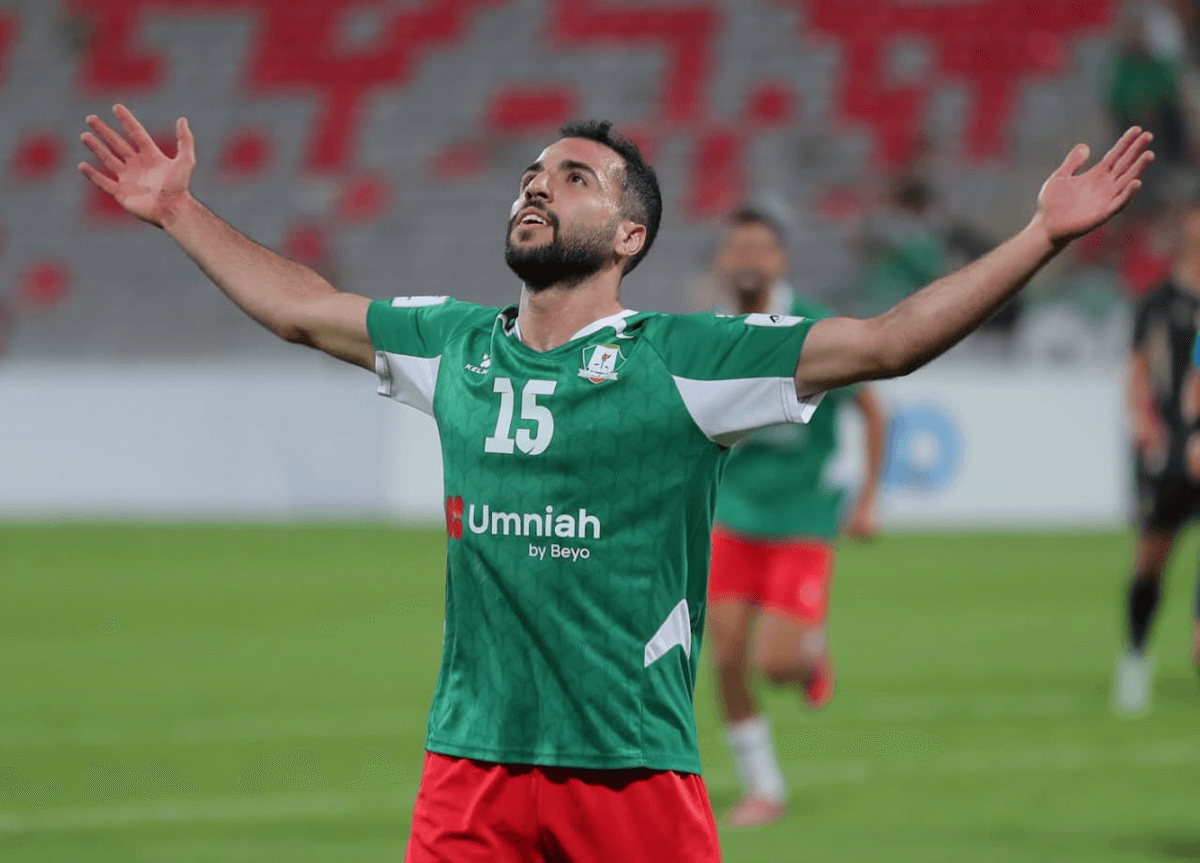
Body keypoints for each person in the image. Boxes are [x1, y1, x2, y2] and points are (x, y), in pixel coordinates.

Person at [78, 104, 1153, 862]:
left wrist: (1041, 236)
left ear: (628, 235)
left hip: (631, 772)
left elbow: (885, 342)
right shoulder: (455, 344)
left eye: (574, 178)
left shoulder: (686, 357)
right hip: (470, 768)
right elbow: (305, 308)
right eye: (532, 174)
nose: (537, 185)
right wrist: (180, 212)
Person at [703, 207, 887, 828]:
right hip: (731, 513)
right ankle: (764, 788)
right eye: (737, 247)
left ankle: (808, 660)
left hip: (803, 516)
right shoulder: (710, 333)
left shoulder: (813, 327)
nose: (748, 259)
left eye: (760, 248)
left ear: (780, 260)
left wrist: (868, 499)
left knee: (776, 665)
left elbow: (872, 407)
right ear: (722, 260)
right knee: (726, 656)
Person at [1115, 205, 1200, 714]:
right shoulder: (1158, 302)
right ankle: (1135, 653)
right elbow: (1137, 368)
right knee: (1151, 557)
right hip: (1169, 452)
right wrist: (1143, 425)